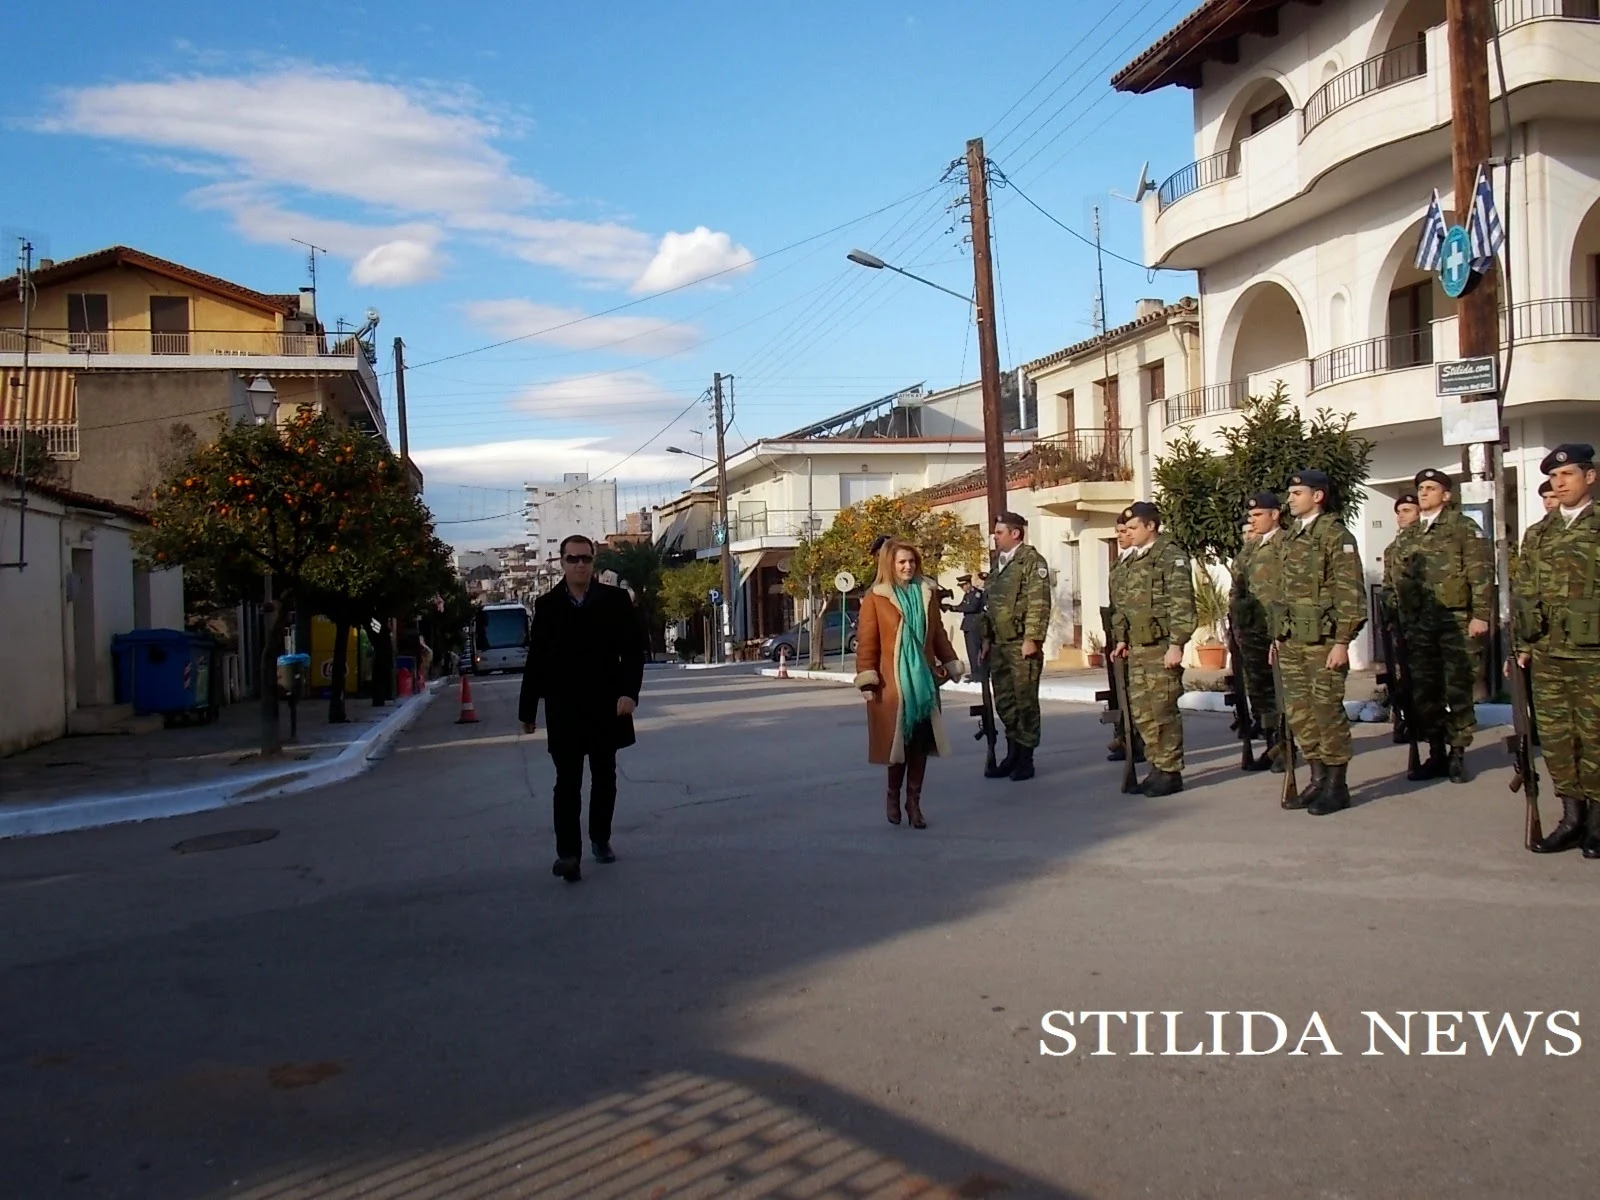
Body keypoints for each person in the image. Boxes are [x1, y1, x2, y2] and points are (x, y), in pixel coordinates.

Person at [519, 534, 646, 883]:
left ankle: (600, 838)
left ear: (593, 562)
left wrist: (629, 693)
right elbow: (537, 661)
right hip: (565, 708)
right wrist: (528, 710)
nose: (579, 565)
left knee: (604, 777)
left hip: (608, 704)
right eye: (572, 558)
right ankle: (568, 854)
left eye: (585, 559)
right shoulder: (546, 606)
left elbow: (635, 651)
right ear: (561, 562)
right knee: (567, 782)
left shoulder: (616, 601)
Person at [1383, 468, 1492, 784]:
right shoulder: (1410, 535)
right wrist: (1396, 614)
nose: (1424, 493)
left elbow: (1481, 574)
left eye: (1431, 488)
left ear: (1446, 494)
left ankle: (1457, 752)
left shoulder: (1463, 528)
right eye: (1421, 488)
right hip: (1418, 626)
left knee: (1457, 689)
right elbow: (1395, 580)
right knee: (1424, 692)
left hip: (1455, 623)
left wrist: (1481, 615)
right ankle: (1436, 752)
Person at [1519, 445, 1600, 857]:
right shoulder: (1539, 533)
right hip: (1548, 653)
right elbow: (1524, 592)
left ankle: (1597, 823)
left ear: (1590, 476)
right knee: (1556, 738)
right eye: (1554, 477)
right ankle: (1571, 817)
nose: (1560, 483)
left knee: (1595, 737)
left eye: (1567, 474)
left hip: (1594, 654)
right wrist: (1520, 646)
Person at [1272, 469, 1367, 815]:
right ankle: (1316, 777)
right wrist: (1278, 635)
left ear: (1318, 496)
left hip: (1324, 641)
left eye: (1298, 492)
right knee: (1300, 713)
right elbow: (1282, 592)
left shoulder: (1335, 535)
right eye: (1290, 492)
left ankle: (1336, 785)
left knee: (1327, 710)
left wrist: (1343, 641)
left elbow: (1350, 592)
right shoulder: (1290, 538)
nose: (1290, 498)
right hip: (1293, 640)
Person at [854, 539, 966, 828]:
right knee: (897, 746)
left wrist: (951, 662)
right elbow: (867, 642)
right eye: (902, 562)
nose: (907, 566)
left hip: (924, 684)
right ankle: (893, 795)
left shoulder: (927, 594)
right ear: (890, 565)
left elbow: (938, 635)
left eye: (912, 562)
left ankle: (913, 802)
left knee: (920, 744)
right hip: (893, 685)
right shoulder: (876, 597)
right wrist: (867, 678)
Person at [1108, 502, 1195, 796]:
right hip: (1137, 648)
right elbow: (1123, 606)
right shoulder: (1133, 561)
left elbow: (1182, 603)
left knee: (1163, 710)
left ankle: (1170, 771)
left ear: (1151, 526)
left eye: (1133, 528)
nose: (1129, 533)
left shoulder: (1170, 557)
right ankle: (1156, 767)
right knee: (1143, 712)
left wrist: (1177, 644)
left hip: (1161, 647)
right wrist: (1121, 639)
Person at [982, 511, 1053, 781]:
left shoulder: (1031, 561)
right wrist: (987, 638)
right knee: (1005, 701)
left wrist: (1032, 639)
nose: (995, 537)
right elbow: (990, 605)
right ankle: (1012, 752)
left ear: (1015, 533)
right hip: (1000, 643)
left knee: (1025, 702)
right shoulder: (999, 564)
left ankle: (1026, 757)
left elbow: (1039, 602)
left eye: (999, 532)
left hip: (1021, 643)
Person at [1230, 492, 1285, 772]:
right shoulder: (1248, 551)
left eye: (1257, 515)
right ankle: (1271, 742)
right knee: (1259, 690)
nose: (1252, 522)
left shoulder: (1287, 544)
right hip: (1252, 632)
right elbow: (1236, 590)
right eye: (1249, 517)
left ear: (1275, 515)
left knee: (1282, 689)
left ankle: (1285, 744)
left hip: (1279, 630)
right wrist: (1238, 626)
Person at [1104, 517, 1144, 764]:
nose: (1120, 535)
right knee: (1120, 692)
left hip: (1136, 636)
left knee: (1137, 694)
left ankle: (1138, 742)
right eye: (1118, 531)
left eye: (1125, 531)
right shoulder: (1118, 563)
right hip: (1118, 634)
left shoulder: (1139, 562)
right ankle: (1124, 736)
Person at [945, 573, 987, 683]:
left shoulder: (977, 594)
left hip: (975, 626)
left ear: (968, 584)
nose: (962, 588)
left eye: (963, 586)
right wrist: (951, 607)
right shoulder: (968, 595)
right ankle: (974, 672)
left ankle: (979, 674)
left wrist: (955, 608)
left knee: (976, 651)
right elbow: (962, 605)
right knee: (971, 651)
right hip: (968, 626)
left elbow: (971, 607)